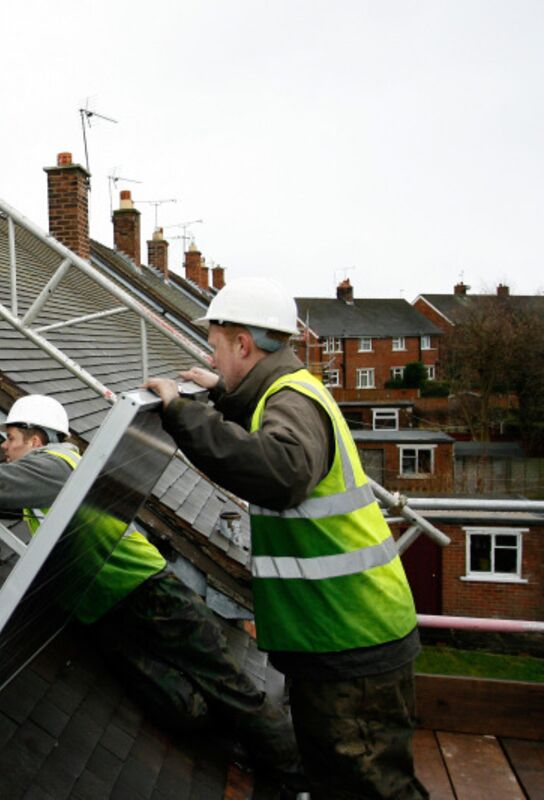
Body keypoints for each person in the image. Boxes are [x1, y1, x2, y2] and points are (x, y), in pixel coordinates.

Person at [0, 394, 299, 777]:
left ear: (36, 439)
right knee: (174, 699)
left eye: (10, 438)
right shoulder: (57, 472)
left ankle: (296, 774)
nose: (3, 448)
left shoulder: (54, 466)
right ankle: (244, 745)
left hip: (147, 591)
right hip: (110, 609)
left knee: (228, 684)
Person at [144, 276, 426, 799]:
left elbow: (280, 469)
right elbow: (268, 426)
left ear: (243, 344)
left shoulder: (292, 400)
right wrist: (225, 396)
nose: (213, 353)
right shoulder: (287, 390)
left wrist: (183, 415)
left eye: (216, 344)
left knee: (370, 789)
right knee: (343, 783)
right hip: (341, 635)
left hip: (351, 640)